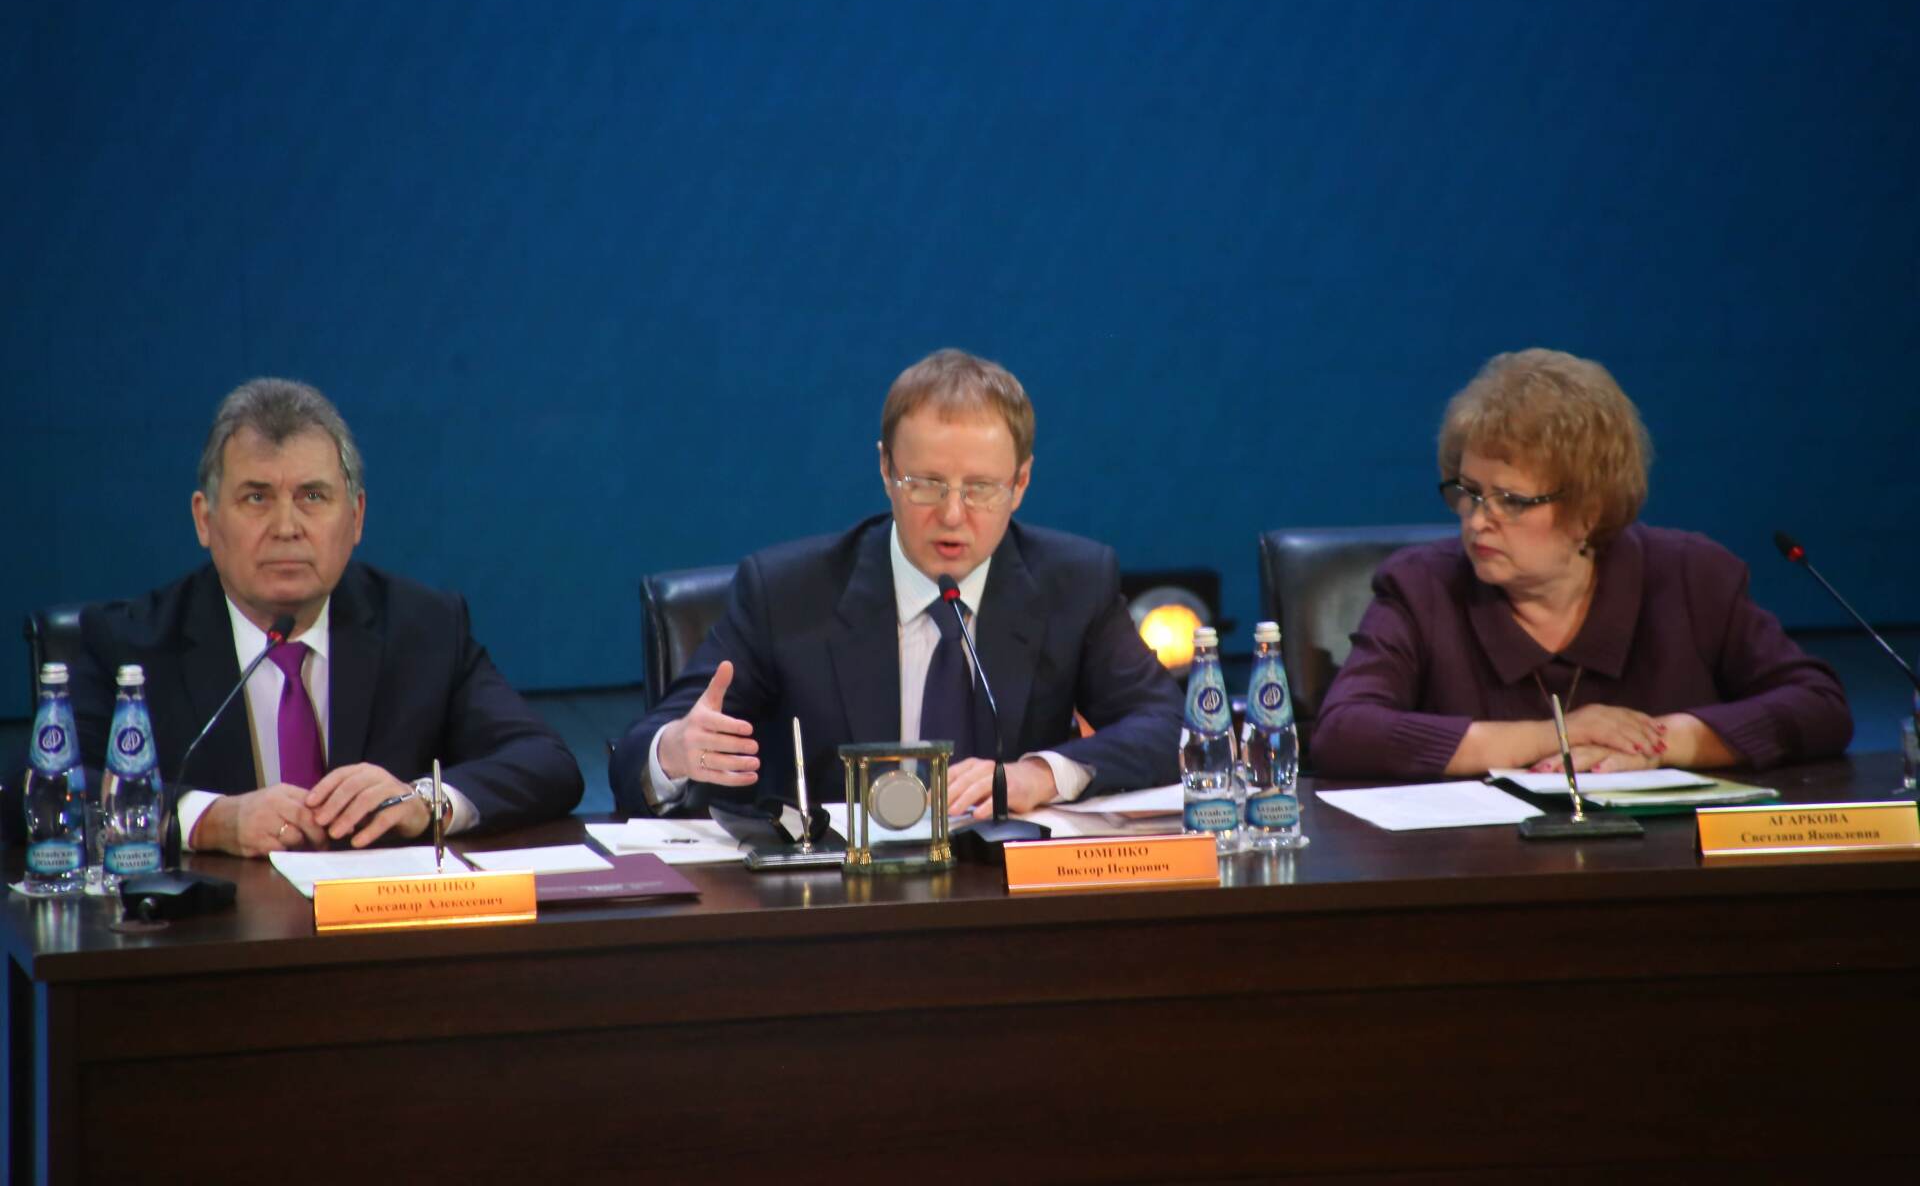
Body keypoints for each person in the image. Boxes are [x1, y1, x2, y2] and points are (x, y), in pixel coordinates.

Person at [612, 349, 1183, 818]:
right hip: (832, 899)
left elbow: (1170, 728)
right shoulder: (786, 593)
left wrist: (1039, 775)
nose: (953, 514)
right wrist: (674, 751)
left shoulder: (1073, 583)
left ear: (1021, 483)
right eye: (926, 484)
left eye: (981, 488)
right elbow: (636, 756)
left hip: (1006, 891)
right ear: (886, 470)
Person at [70, 378, 582, 856]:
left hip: (380, 918)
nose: (286, 527)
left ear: (356, 517)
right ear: (205, 519)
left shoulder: (424, 628)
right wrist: (205, 820)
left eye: (312, 496)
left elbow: (545, 762)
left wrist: (425, 800)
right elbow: (53, 788)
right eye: (256, 498)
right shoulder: (130, 646)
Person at [1311, 348, 1851, 780]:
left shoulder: (1692, 578)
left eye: (1511, 501)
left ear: (1588, 513)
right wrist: (1557, 735)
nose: (1477, 520)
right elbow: (1345, 733)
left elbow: (1819, 707)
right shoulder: (1422, 587)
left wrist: (1660, 744)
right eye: (1469, 492)